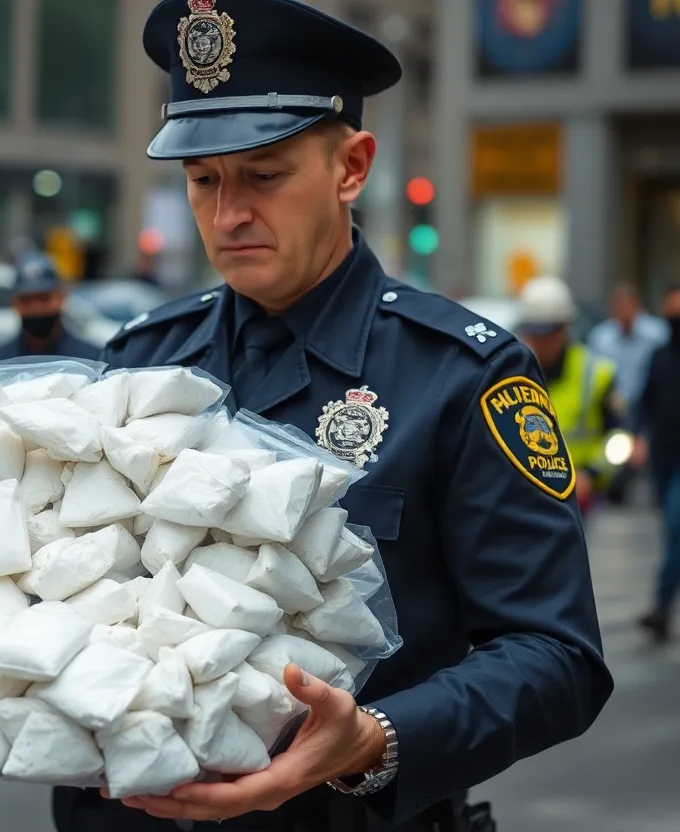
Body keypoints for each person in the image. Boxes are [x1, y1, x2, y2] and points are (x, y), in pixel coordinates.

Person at [55, 2, 612, 830]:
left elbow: (553, 655)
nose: (228, 214)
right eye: (204, 181)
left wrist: (374, 740)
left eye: (263, 175)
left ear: (351, 168)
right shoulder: (138, 361)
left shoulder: (458, 374)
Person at [516, 275, 624, 514]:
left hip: (578, 496)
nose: (539, 342)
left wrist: (592, 474)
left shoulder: (596, 373)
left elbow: (618, 438)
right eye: (533, 333)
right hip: (525, 493)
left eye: (547, 334)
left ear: (565, 327)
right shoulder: (514, 373)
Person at [587, 283, 667, 502]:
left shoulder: (657, 334)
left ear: (637, 307)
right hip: (614, 403)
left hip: (648, 403)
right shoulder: (601, 337)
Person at [635, 282, 680, 642]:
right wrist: (638, 438)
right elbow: (645, 402)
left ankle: (661, 608)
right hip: (664, 460)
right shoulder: (660, 355)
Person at [0, 252, 100, 363]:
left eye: (44, 299)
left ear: (61, 298)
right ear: (14, 303)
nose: (36, 308)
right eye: (26, 300)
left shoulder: (92, 360)